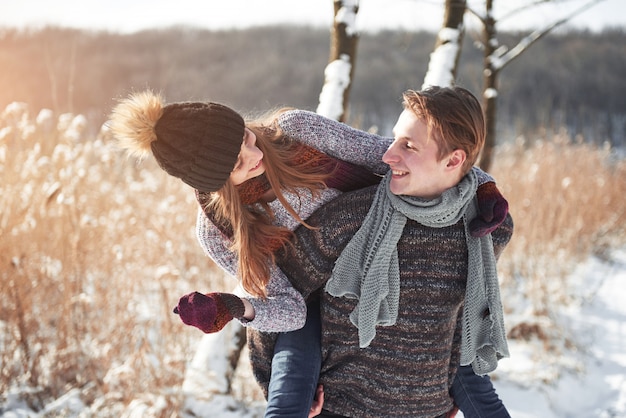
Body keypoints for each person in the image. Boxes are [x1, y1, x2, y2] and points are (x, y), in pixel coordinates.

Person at [108, 88, 510, 417]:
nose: (255, 155)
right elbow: (288, 309)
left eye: (246, 137)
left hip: (384, 257)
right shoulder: (219, 230)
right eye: (236, 162)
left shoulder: (296, 133)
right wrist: (234, 306)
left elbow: (401, 158)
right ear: (211, 180)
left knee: (457, 357)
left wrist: (483, 188)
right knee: (289, 394)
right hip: (311, 300)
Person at [247, 86, 514, 417]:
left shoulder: (486, 228)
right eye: (394, 139)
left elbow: (462, 323)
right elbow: (278, 301)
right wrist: (286, 393)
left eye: (409, 146)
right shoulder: (346, 219)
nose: (388, 155)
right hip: (338, 409)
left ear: (454, 160)